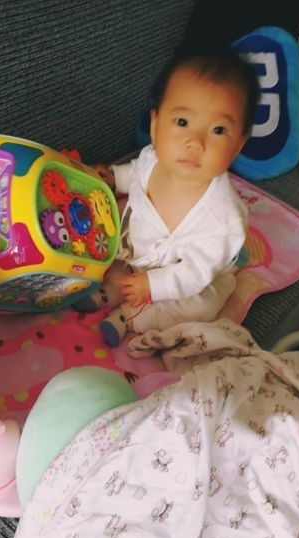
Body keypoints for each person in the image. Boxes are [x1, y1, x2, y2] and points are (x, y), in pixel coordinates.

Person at [73, 48, 260, 347]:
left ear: (238, 145)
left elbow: (195, 272)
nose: (195, 142)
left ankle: (132, 316)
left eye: (217, 129)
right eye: (182, 122)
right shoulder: (152, 158)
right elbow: (136, 173)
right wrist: (114, 177)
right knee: (112, 238)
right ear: (155, 124)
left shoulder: (223, 219)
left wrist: (154, 285)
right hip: (138, 249)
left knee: (201, 307)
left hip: (189, 276)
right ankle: (113, 288)